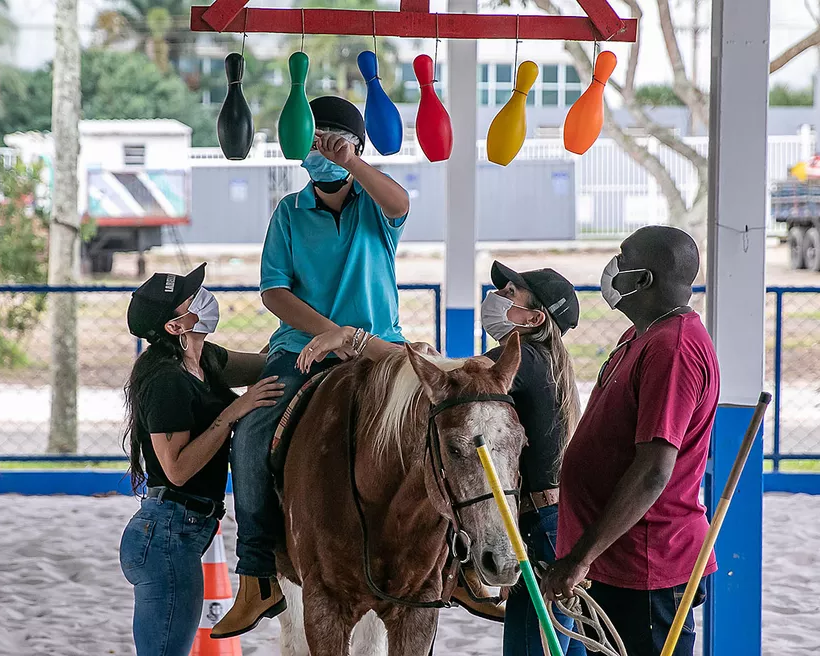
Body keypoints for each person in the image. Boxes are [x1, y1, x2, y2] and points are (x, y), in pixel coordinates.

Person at [212, 95, 412, 639]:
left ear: (355, 146)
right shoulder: (287, 212)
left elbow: (401, 204)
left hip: (379, 346)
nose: (320, 148)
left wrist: (351, 161)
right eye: (313, 139)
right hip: (300, 345)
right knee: (252, 428)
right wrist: (325, 332)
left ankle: (455, 561)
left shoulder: (375, 206)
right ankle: (257, 575)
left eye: (333, 138)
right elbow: (274, 290)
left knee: (442, 420)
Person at [541, 226, 720, 656]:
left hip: (646, 565)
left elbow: (653, 471)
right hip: (616, 560)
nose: (612, 268)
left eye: (622, 259)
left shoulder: (673, 349)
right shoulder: (639, 336)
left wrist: (580, 557)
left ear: (642, 280)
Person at [119, 263, 285, 656]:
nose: (205, 298)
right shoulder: (165, 381)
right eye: (192, 298)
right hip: (165, 536)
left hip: (183, 531)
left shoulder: (205, 360)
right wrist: (231, 414)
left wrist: (297, 334)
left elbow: (267, 367)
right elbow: (176, 470)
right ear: (176, 327)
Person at [442, 262, 586, 656]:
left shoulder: (519, 359)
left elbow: (450, 379)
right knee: (562, 640)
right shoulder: (547, 362)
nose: (497, 298)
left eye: (510, 294)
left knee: (530, 645)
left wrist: (361, 343)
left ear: (534, 317)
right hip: (554, 518)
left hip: (540, 523)